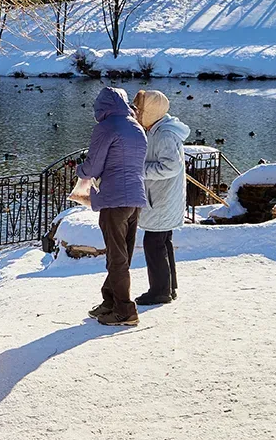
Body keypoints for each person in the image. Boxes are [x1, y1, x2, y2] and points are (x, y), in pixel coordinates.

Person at [76, 87, 148, 326]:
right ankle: (110, 302)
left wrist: (80, 171)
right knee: (122, 255)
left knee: (116, 257)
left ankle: (125, 311)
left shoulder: (106, 127)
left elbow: (93, 167)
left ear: (102, 106)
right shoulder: (136, 127)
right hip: (135, 197)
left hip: (114, 198)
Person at [132, 90, 190, 305]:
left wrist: (139, 169)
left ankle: (160, 291)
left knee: (154, 243)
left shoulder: (164, 134)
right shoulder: (157, 130)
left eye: (139, 109)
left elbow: (170, 166)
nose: (136, 112)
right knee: (163, 243)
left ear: (150, 111)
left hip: (162, 199)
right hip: (162, 197)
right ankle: (168, 287)